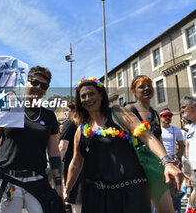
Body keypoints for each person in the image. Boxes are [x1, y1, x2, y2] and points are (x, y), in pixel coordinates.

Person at [64, 77, 184, 213]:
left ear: (101, 95)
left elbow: (147, 136)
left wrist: (167, 162)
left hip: (131, 194)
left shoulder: (117, 113)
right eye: (83, 96)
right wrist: (67, 190)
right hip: (97, 197)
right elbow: (76, 163)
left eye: (92, 93)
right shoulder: (81, 130)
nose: (88, 98)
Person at [0, 66, 65, 213]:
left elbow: (54, 153)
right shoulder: (9, 108)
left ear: (46, 90)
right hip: (8, 180)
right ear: (26, 83)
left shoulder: (49, 116)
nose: (38, 87)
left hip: (37, 181)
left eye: (43, 85)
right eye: (35, 82)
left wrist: (59, 186)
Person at [125, 75, 174, 213]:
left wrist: (168, 164)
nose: (147, 88)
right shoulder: (129, 109)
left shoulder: (155, 114)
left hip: (155, 168)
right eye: (141, 86)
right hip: (135, 169)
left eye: (149, 85)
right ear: (133, 91)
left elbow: (159, 141)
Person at [159, 108, 185, 213]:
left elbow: (182, 146)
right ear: (160, 117)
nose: (168, 118)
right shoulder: (156, 129)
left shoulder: (176, 130)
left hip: (173, 163)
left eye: (169, 116)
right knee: (160, 192)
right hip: (159, 163)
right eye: (165, 115)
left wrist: (178, 158)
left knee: (174, 191)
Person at [58, 102, 83, 213]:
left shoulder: (69, 124)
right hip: (87, 168)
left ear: (74, 111)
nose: (64, 113)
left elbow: (63, 147)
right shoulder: (85, 124)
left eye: (66, 110)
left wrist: (56, 166)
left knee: (76, 202)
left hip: (73, 168)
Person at [180, 96, 196, 212]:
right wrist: (191, 172)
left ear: (194, 105)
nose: (181, 110)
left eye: (183, 107)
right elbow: (188, 150)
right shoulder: (191, 128)